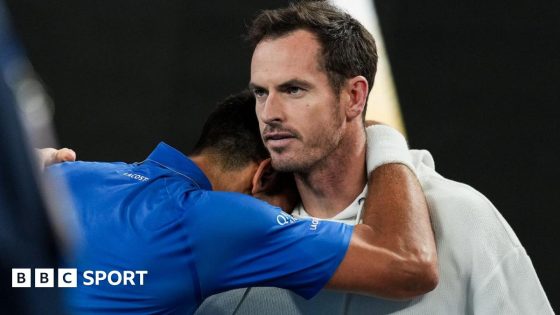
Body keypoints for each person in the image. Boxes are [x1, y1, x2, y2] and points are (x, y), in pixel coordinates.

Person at [195, 2, 553, 314]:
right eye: (260, 92)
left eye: (293, 89)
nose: (269, 113)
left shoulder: (461, 216)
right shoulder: (246, 238)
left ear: (354, 96)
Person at [46, 90, 437, 314]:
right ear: (263, 175)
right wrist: (382, 136)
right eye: (289, 208)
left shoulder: (59, 173)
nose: (288, 217)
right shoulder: (220, 220)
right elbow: (407, 263)